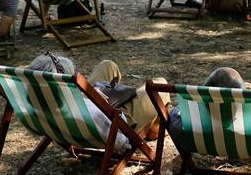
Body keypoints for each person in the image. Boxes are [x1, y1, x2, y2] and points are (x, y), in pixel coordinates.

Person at [167, 54, 251, 161]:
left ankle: (239, 88)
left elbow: (173, 115)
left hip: (214, 134)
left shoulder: (182, 123)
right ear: (241, 99)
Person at [28, 53, 170, 148]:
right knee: (161, 84)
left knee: (107, 65)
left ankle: (152, 123)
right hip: (113, 121)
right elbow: (118, 137)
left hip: (76, 108)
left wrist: (87, 96)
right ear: (63, 86)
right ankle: (154, 131)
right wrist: (96, 101)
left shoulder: (32, 101)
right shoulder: (89, 111)